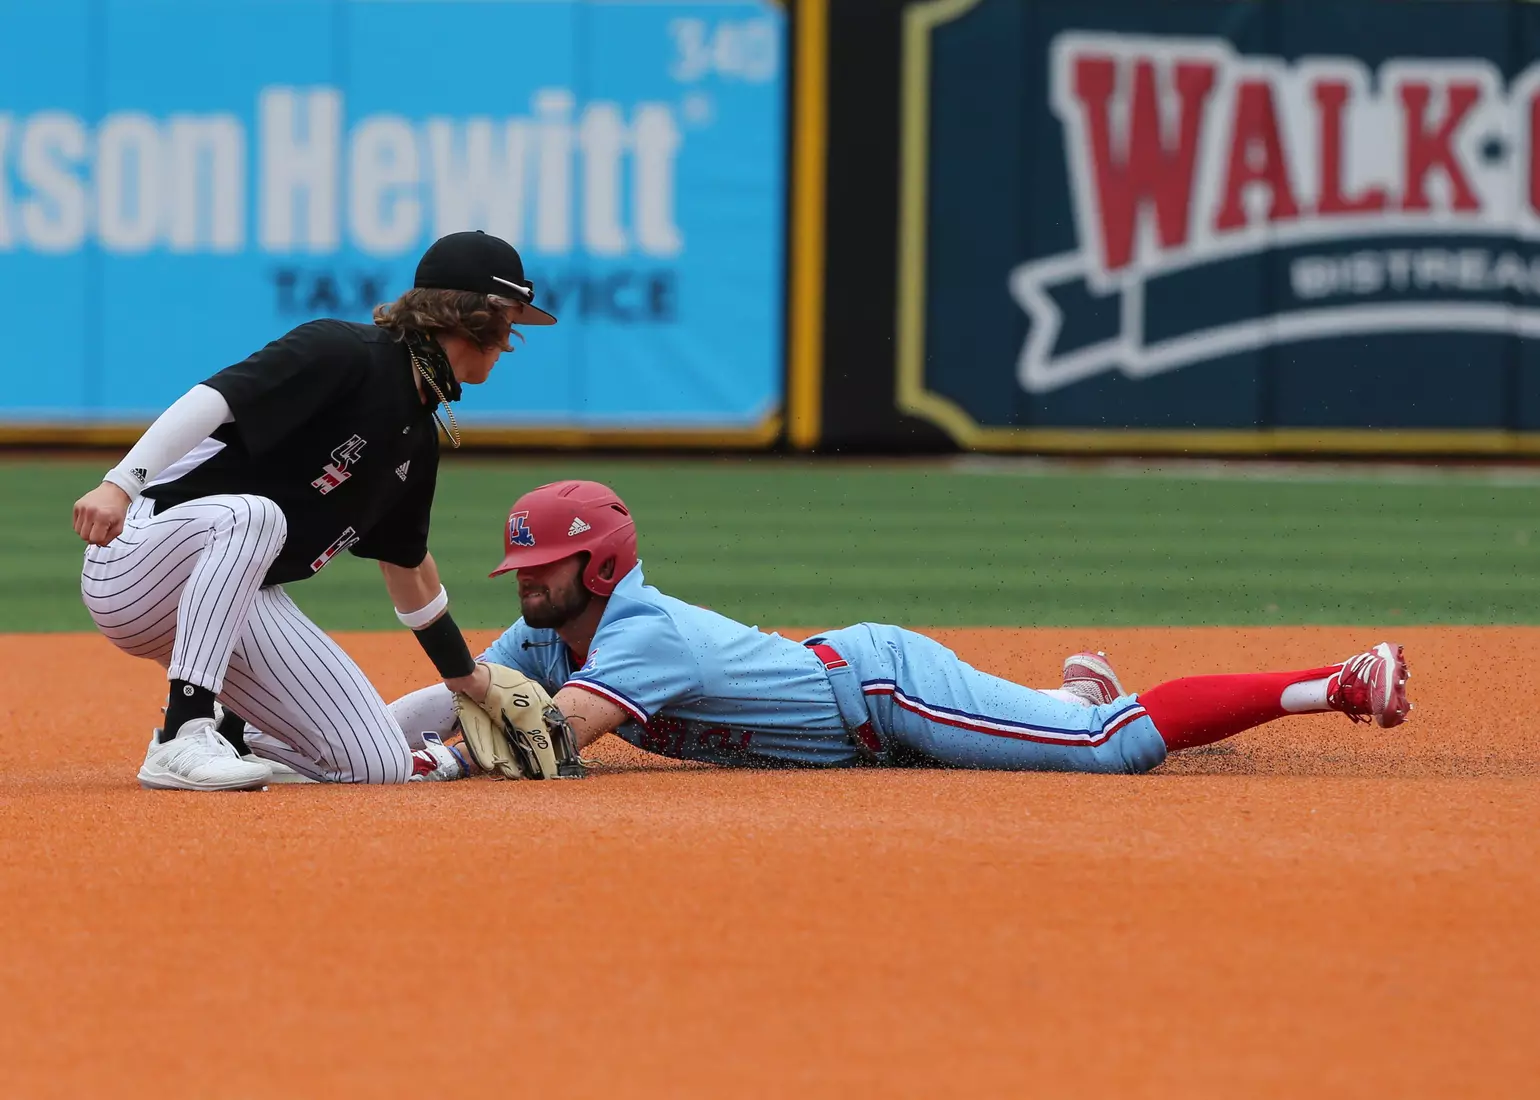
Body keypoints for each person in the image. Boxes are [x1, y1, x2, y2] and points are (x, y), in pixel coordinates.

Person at [388, 480, 1412, 777]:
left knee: (1112, 750)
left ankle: (1336, 680)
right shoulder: (547, 636)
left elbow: (552, 741)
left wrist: (442, 763)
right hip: (856, 712)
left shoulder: (640, 629)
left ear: (600, 566)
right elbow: (459, 691)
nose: (524, 582)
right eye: (519, 567)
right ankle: (1067, 694)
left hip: (880, 693)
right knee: (1064, 727)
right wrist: (364, 741)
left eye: (542, 566)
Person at [72, 231, 557, 790]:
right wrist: (120, 485)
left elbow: (408, 569)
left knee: (377, 765)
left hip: (229, 606)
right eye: (510, 318)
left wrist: (467, 678)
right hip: (138, 559)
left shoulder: (417, 439)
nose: (512, 339)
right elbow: (216, 398)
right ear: (478, 314)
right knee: (257, 517)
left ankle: (239, 734)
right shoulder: (347, 351)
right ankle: (184, 730)